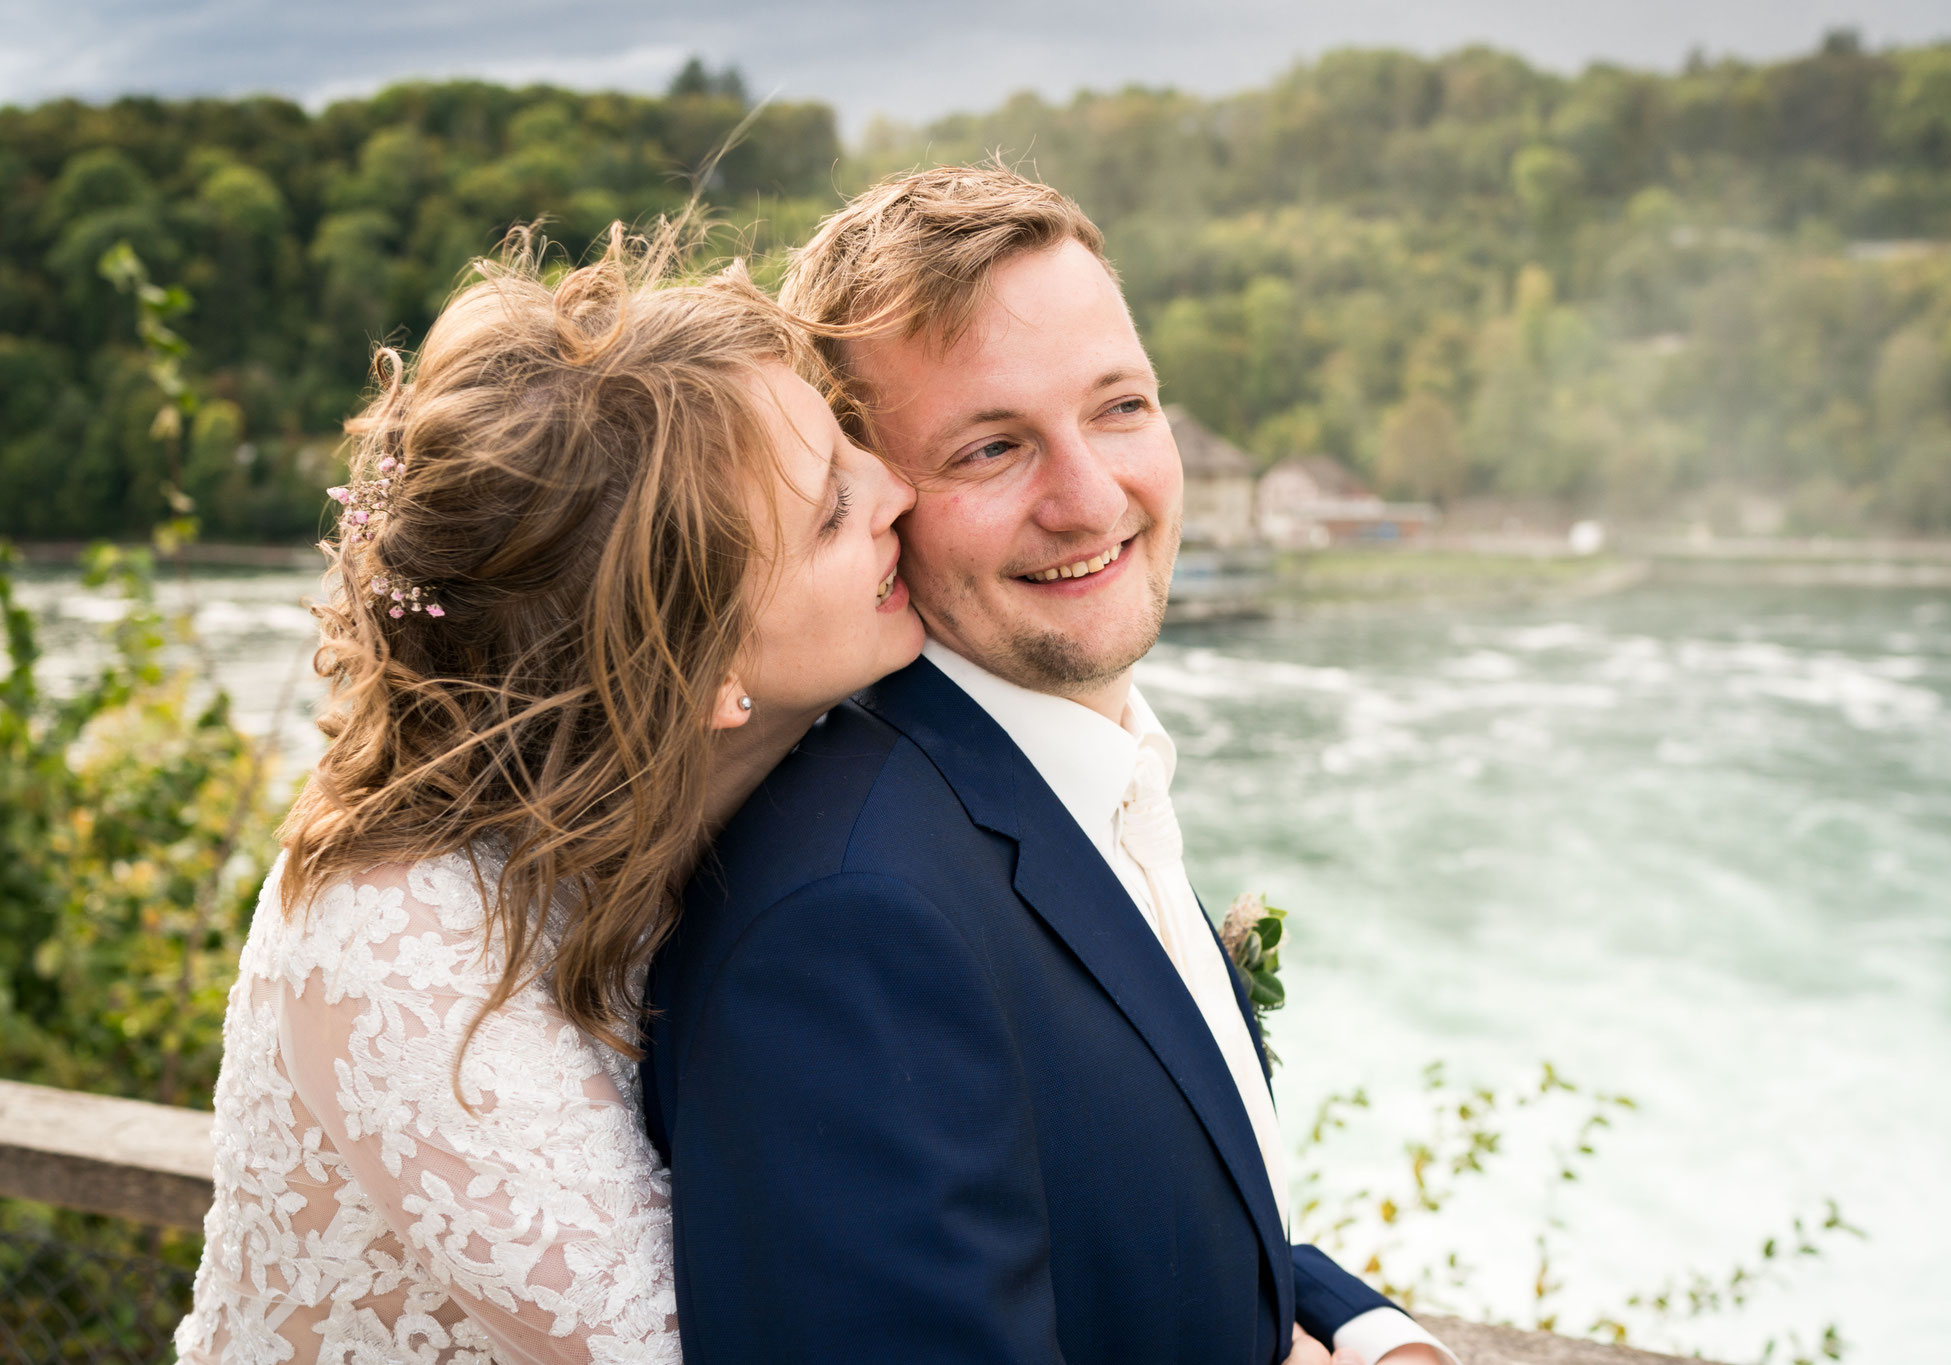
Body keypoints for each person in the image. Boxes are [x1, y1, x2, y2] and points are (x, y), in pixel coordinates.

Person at [640, 168, 1455, 1364]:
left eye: (1119, 407)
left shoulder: (1057, 773)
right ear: (869, 501)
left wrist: (1378, 1339)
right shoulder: (846, 925)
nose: (1089, 500)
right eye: (989, 448)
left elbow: (1163, 1207)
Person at [173, 222, 922, 1363]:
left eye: (848, 448)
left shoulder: (767, 772)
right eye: (829, 510)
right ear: (699, 661)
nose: (896, 488)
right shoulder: (396, 935)